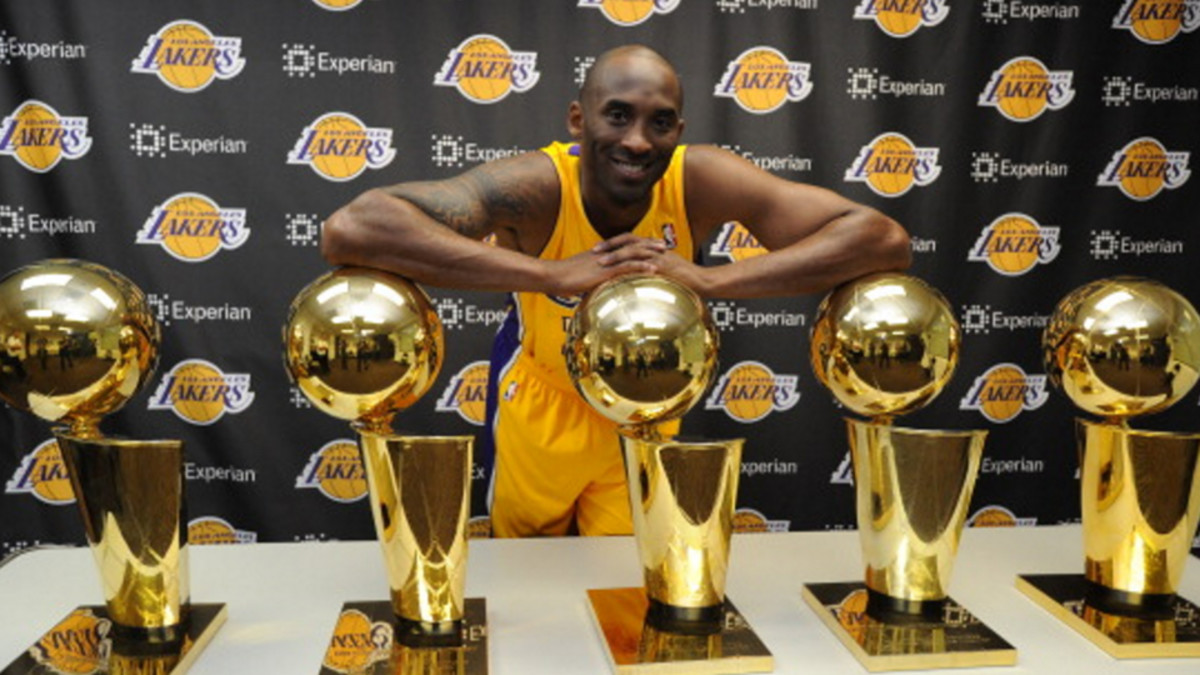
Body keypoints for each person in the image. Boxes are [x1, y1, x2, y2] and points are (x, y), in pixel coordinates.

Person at [321, 44, 911, 538]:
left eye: (659, 123)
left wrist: (711, 281)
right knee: (529, 583)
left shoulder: (699, 179)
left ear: (678, 131)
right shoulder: (536, 186)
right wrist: (554, 274)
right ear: (578, 120)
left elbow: (882, 239)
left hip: (645, 405)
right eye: (618, 115)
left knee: (626, 586)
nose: (637, 141)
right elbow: (353, 228)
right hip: (542, 406)